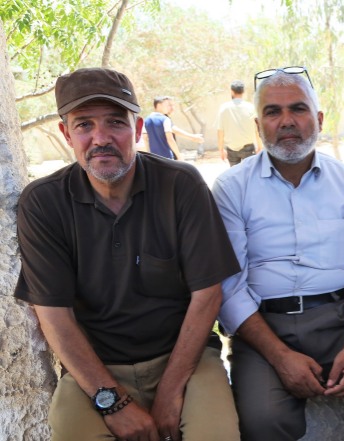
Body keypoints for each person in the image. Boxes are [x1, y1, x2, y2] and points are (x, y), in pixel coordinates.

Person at [14, 67, 241, 441]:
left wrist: (170, 390)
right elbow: (54, 317)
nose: (101, 138)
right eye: (84, 125)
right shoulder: (43, 203)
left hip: (185, 360)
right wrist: (113, 402)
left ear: (136, 129)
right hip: (94, 370)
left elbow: (208, 295)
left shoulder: (180, 185)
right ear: (67, 134)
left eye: (115, 122)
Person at [212, 67, 344, 441]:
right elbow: (230, 286)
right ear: (258, 125)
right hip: (265, 327)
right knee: (262, 419)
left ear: (318, 119)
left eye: (298, 109)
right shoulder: (231, 188)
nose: (286, 121)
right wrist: (279, 356)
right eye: (273, 112)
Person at [216, 80, 261, 166]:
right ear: (243, 91)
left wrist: (221, 149)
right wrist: (260, 146)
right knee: (250, 172)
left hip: (231, 149)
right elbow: (257, 129)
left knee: (235, 173)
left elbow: (220, 131)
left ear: (232, 91)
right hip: (248, 148)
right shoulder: (251, 107)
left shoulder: (224, 108)